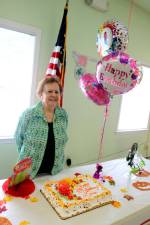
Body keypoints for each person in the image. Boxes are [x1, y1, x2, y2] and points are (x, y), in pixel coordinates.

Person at [15, 76, 68, 178]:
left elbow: (62, 141)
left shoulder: (63, 115)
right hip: (28, 174)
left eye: (56, 92)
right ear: (41, 94)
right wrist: (26, 158)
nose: (53, 94)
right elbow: (18, 138)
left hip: (54, 172)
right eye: (49, 91)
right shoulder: (29, 114)